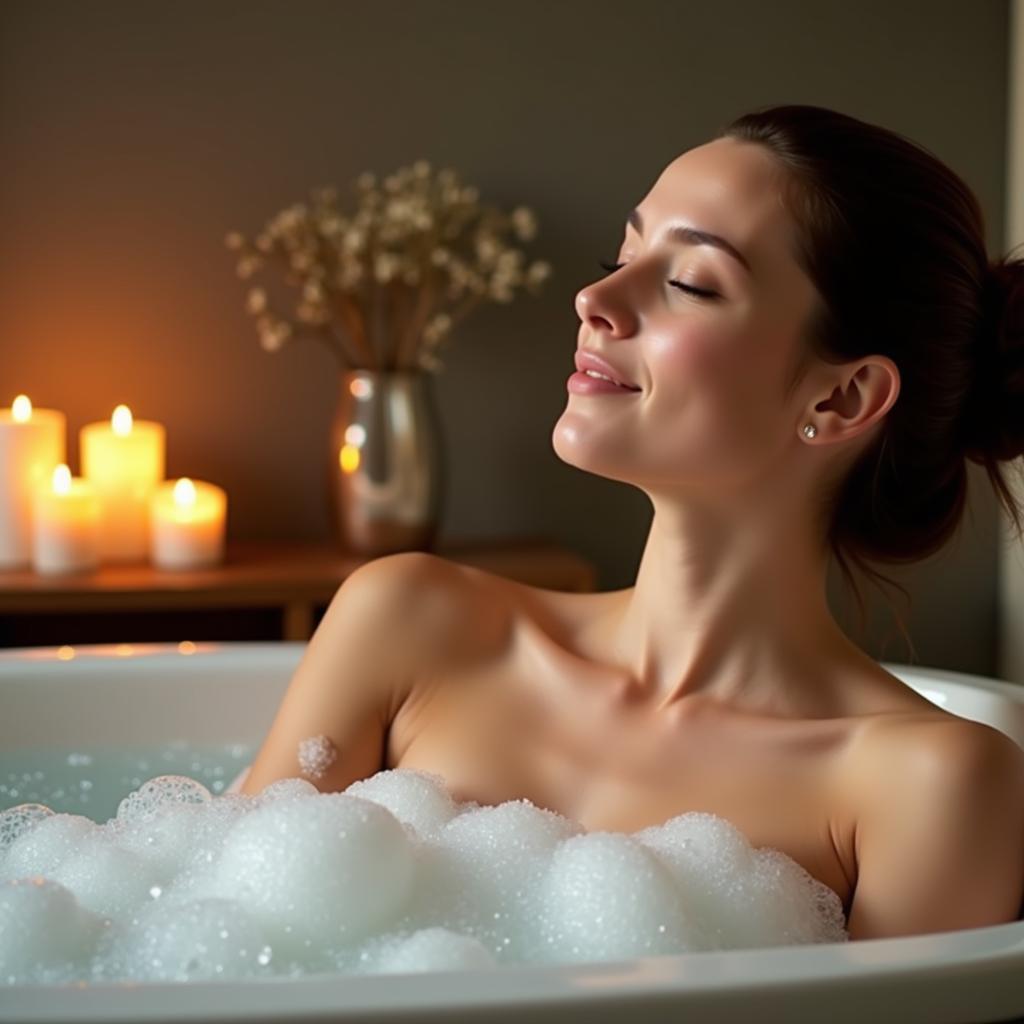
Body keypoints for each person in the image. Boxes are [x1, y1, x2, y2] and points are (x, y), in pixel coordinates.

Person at [239, 104, 1024, 943]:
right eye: (623, 253)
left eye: (689, 282)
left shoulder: (928, 784)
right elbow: (215, 948)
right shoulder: (410, 621)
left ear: (841, 397)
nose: (596, 297)